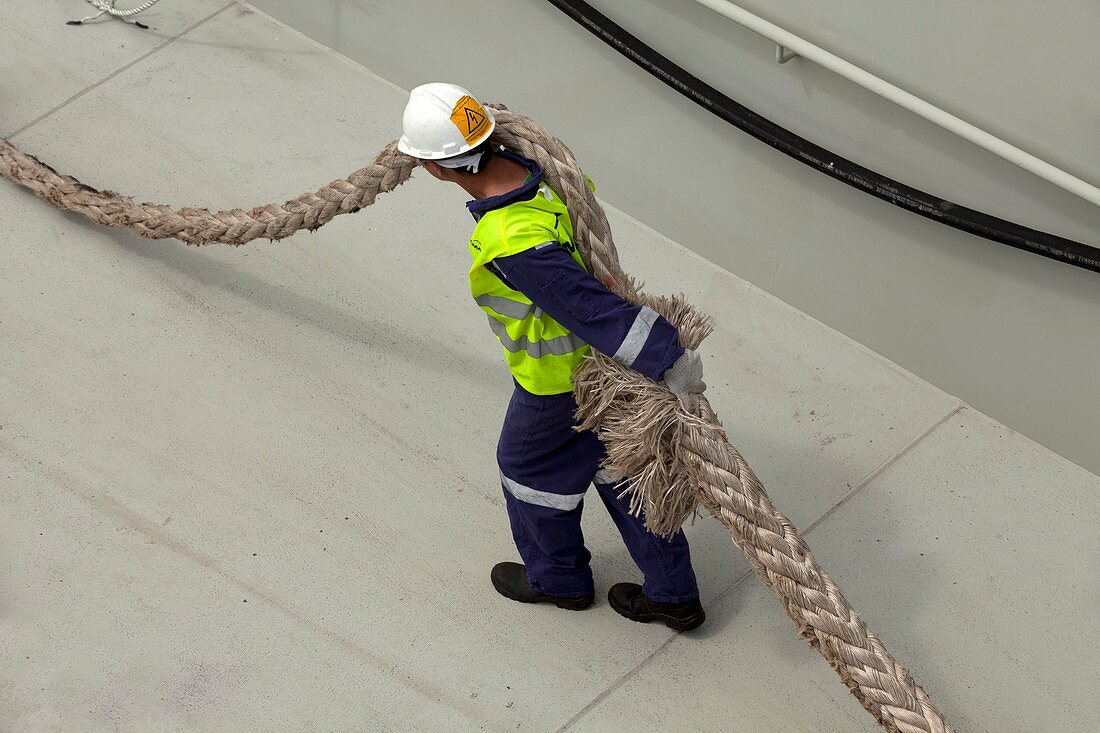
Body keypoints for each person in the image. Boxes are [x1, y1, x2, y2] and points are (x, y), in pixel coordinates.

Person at [397, 83, 706, 631]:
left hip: (558, 381)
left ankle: (559, 580)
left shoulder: (510, 239)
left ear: (438, 169)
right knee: (621, 471)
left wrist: (667, 356)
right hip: (607, 374)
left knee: (528, 471)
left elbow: (585, 307)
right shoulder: (545, 171)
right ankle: (674, 593)